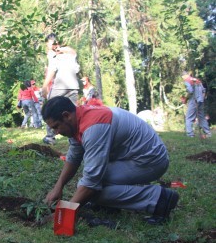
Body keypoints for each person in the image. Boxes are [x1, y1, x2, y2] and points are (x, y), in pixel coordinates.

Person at [42, 96, 179, 225]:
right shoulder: (77, 121)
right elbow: (74, 156)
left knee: (92, 192)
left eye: (56, 126)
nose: (56, 132)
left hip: (151, 161)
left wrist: (63, 215)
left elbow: (91, 183)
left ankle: (159, 199)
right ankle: (110, 205)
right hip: (134, 158)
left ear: (67, 116)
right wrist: (58, 187)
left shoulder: (93, 127)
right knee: (88, 187)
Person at [41, 33, 80, 144]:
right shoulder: (69, 52)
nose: (48, 46)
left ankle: (50, 137)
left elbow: (52, 70)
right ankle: (76, 138)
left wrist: (44, 86)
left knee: (50, 108)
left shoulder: (52, 54)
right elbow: (74, 53)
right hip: (73, 85)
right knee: (73, 111)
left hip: (61, 86)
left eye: (48, 43)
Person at [181, 71, 211, 138]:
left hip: (194, 101)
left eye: (182, 77)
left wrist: (185, 99)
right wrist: (201, 99)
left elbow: (190, 91)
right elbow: (204, 91)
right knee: (201, 117)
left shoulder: (187, 80)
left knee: (188, 118)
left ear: (183, 76)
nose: (183, 79)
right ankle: (208, 133)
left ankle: (190, 135)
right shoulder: (197, 80)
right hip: (201, 101)